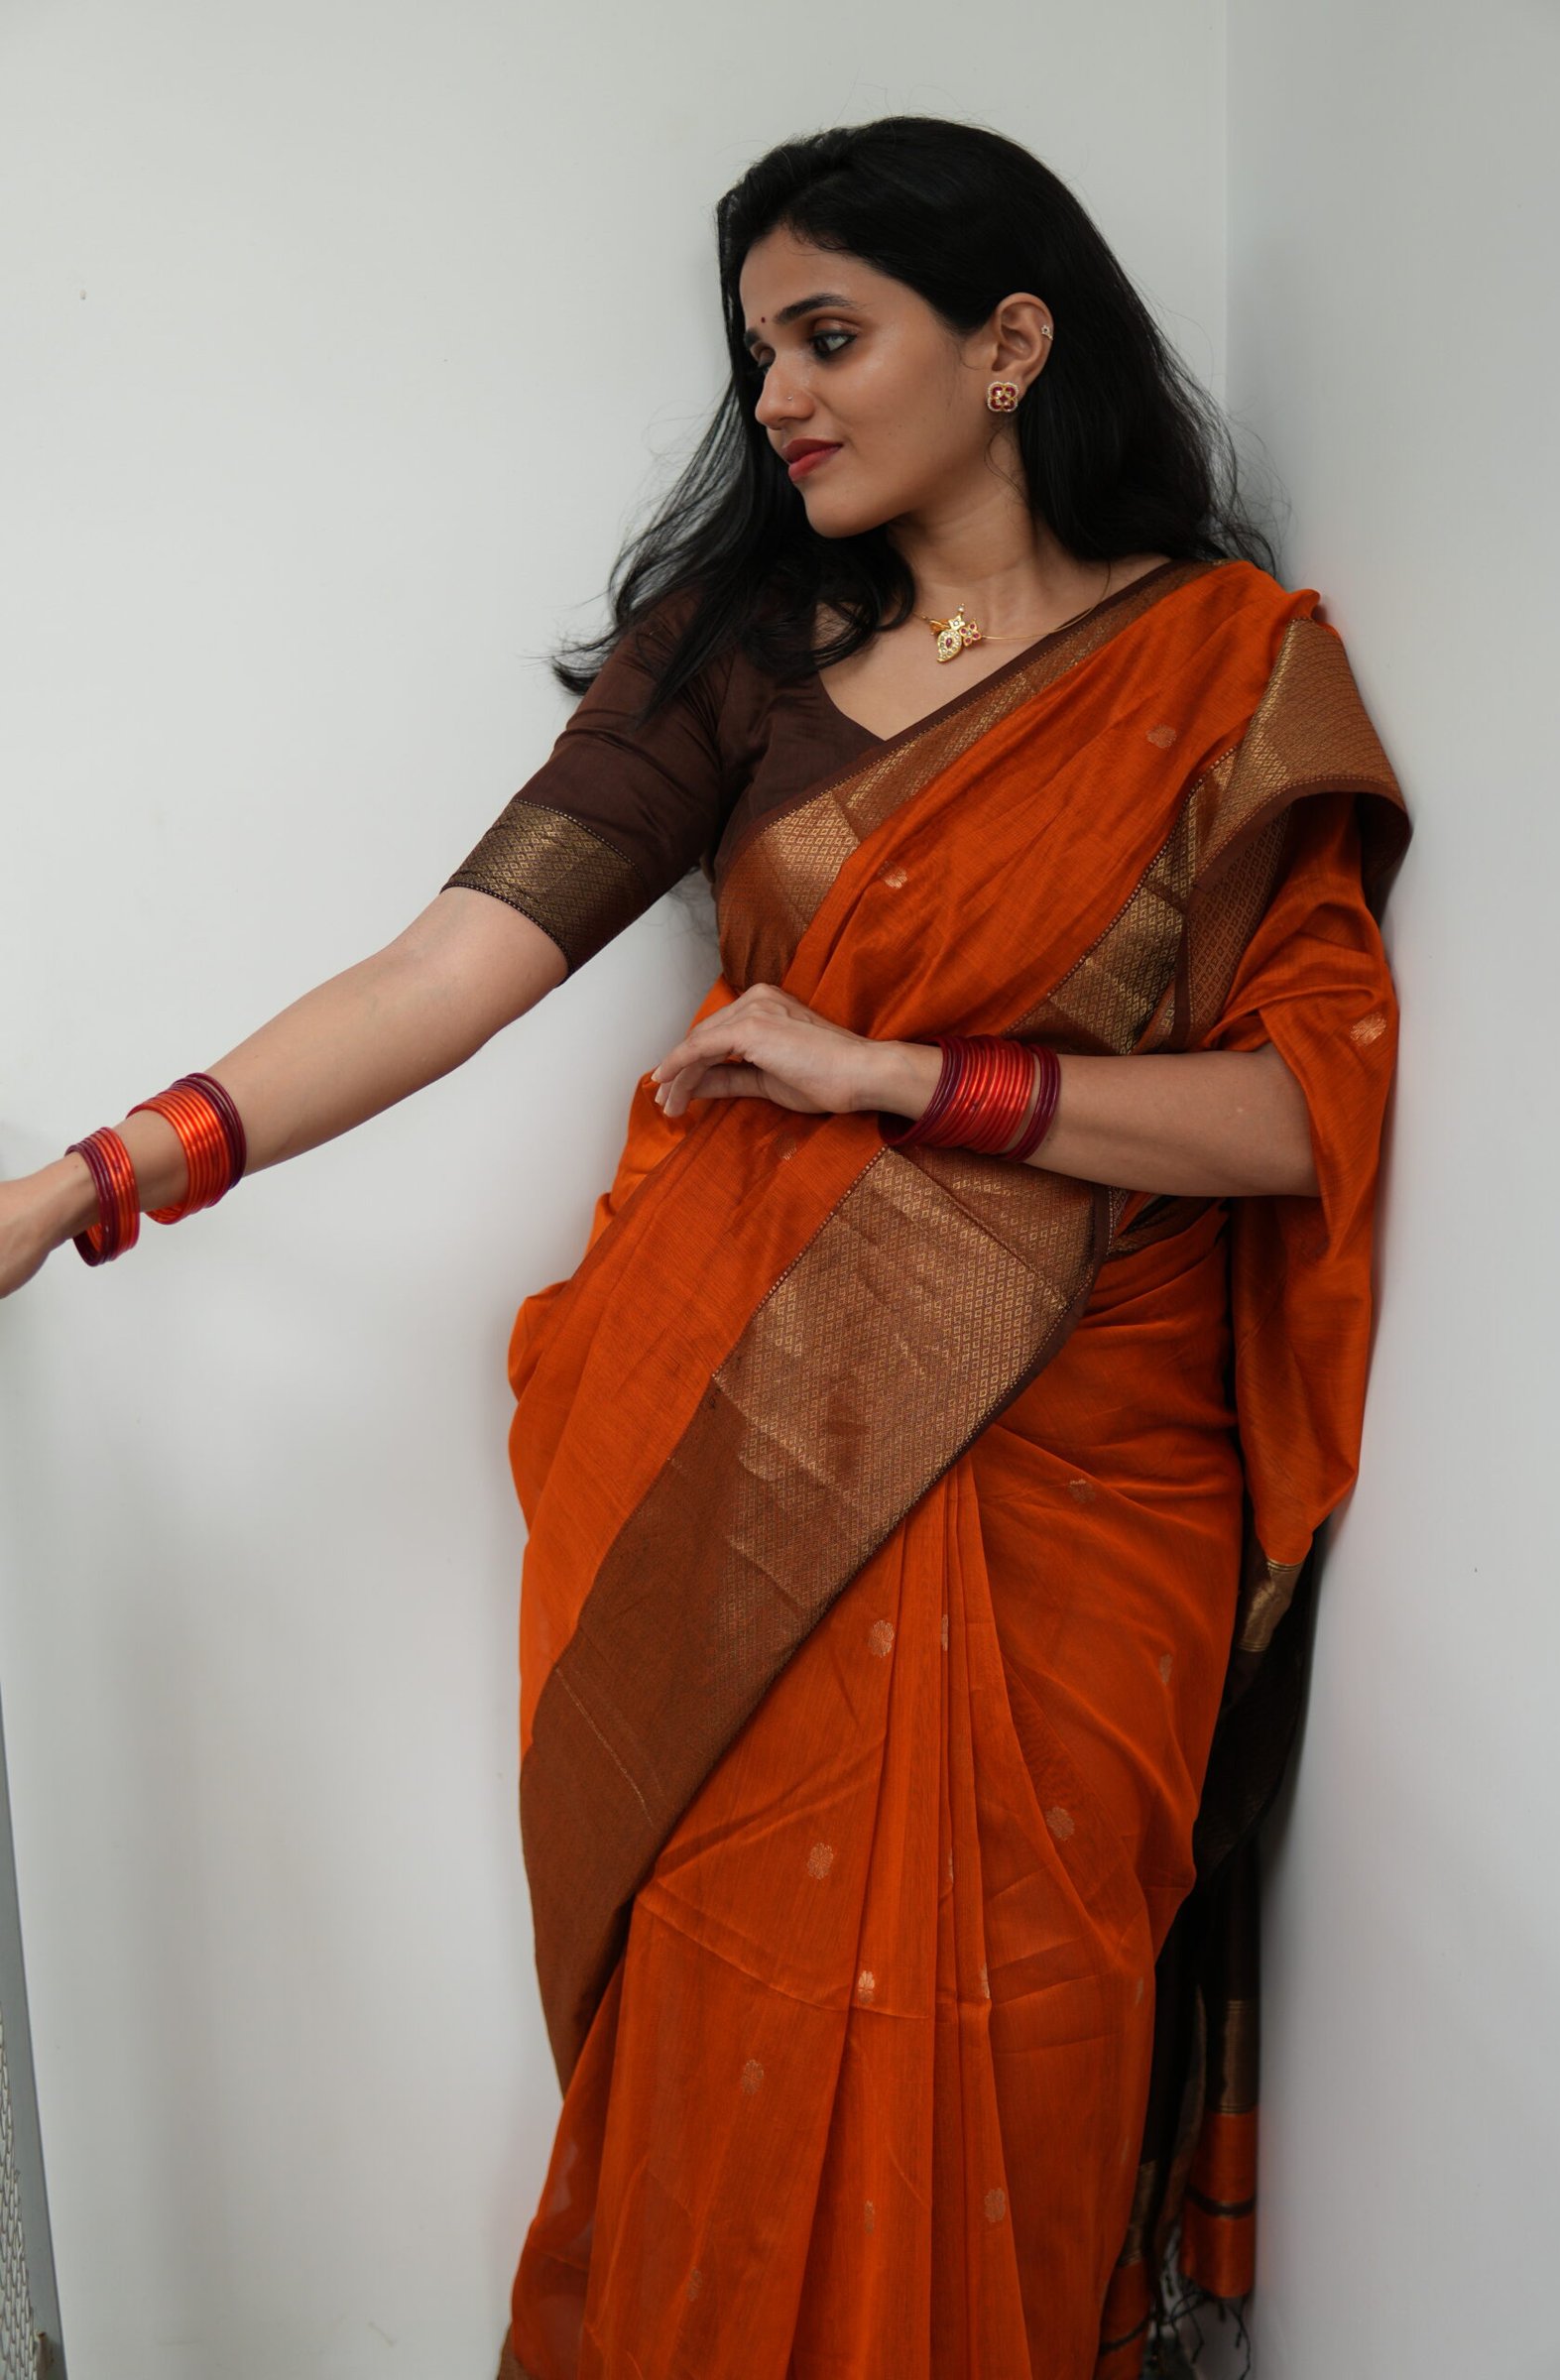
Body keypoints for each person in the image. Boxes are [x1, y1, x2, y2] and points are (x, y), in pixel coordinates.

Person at [0, 116, 1407, 2380]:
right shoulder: (738, 657)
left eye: (827, 336)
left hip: (1085, 1494)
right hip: (746, 1459)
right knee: (730, 2051)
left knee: (1028, 2056)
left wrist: (900, 1076)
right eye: (758, 352)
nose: (776, 398)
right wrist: (95, 1175)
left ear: (1011, 342)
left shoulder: (1229, 674)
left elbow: (1297, 1112)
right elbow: (442, 972)